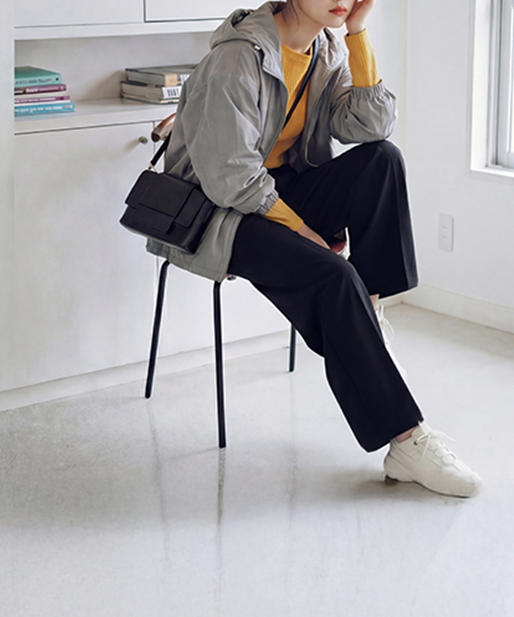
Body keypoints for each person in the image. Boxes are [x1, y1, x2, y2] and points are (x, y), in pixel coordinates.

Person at [147, 0, 482, 497]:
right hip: (220, 211)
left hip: (279, 189)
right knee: (334, 275)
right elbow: (229, 178)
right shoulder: (237, 57)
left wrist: (357, 34)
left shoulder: (326, 49)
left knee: (382, 161)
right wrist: (302, 229)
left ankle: (368, 314)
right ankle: (406, 440)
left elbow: (370, 127)